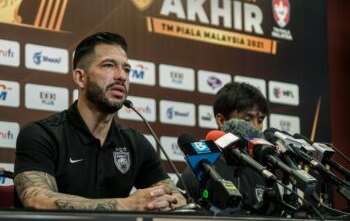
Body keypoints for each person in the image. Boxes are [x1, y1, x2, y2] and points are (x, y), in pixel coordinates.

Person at [14, 32, 186, 211]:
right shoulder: (41, 134)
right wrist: (125, 205)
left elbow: (177, 199)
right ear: (80, 78)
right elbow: (37, 200)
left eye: (126, 69)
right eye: (109, 65)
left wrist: (163, 201)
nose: (122, 76)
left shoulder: (135, 143)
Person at [177, 82, 281, 215]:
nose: (256, 127)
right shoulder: (201, 169)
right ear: (222, 121)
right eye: (247, 119)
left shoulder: (265, 171)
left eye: (260, 120)